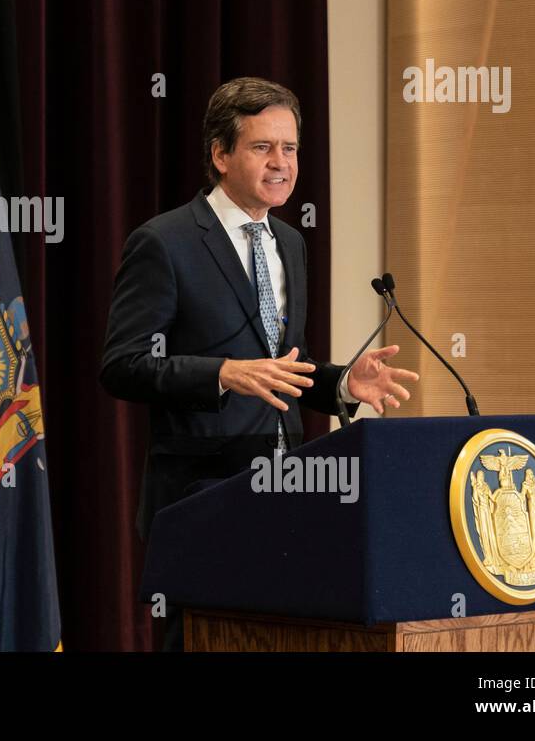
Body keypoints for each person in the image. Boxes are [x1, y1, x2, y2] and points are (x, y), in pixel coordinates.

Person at [99, 77, 419, 650]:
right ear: (220, 155)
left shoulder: (290, 244)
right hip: (200, 501)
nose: (281, 163)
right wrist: (222, 373)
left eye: (290, 148)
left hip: (286, 494)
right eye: (262, 147)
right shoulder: (165, 243)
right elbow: (121, 365)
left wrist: (341, 382)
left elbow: (280, 365)